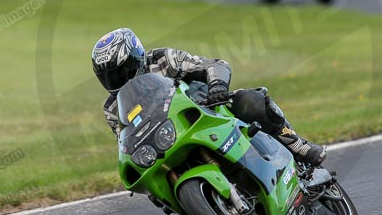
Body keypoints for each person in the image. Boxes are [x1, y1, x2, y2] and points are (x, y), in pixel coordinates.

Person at [92, 27, 326, 166]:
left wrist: (216, 86)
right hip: (171, 140)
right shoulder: (112, 108)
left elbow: (214, 65)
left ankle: (297, 144)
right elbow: (125, 142)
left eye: (121, 71)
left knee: (251, 100)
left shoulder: (164, 59)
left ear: (137, 58)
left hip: (207, 110)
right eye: (109, 77)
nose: (118, 80)